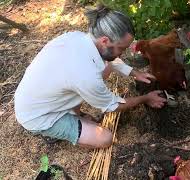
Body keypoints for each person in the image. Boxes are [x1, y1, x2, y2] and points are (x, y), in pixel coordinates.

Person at [14, 5, 167, 148]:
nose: (123, 53)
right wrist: (146, 98)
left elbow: (110, 62)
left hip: (38, 97)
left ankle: (75, 114)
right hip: (39, 116)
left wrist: (134, 73)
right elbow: (113, 106)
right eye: (122, 48)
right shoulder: (86, 75)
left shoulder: (78, 38)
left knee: (105, 69)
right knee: (105, 138)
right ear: (105, 40)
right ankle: (53, 129)